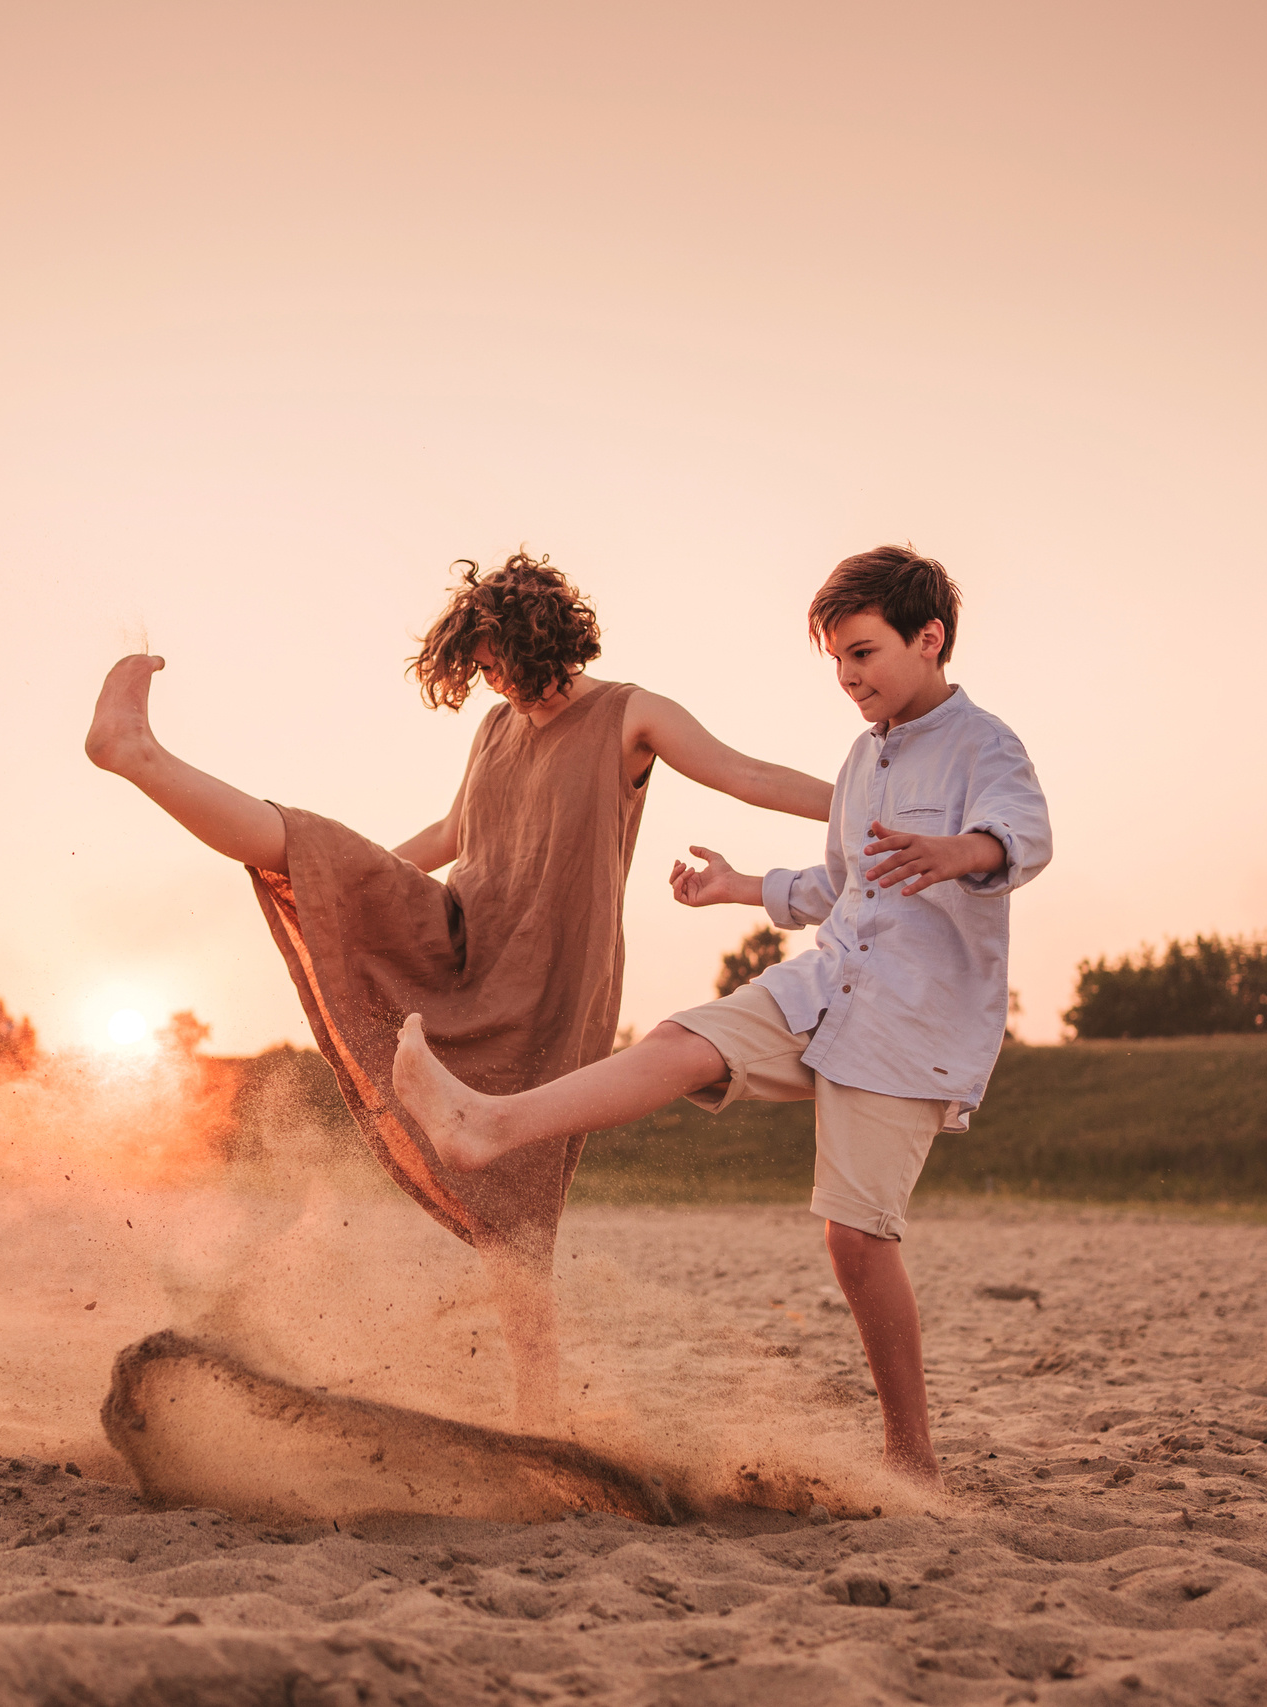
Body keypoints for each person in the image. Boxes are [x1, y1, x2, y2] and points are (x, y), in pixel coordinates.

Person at [85, 552, 833, 1424]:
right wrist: (342, 894)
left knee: (521, 1213)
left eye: (491, 658)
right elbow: (455, 829)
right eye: (476, 664)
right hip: (457, 936)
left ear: (537, 634)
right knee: (305, 845)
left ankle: (536, 1412)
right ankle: (134, 752)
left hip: (550, 983)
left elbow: (746, 775)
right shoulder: (494, 727)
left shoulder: (632, 715)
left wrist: (859, 805)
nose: (485, 678)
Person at [390, 544, 1051, 1479]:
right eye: (837, 660)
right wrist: (743, 885)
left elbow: (1026, 836)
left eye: (862, 653)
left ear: (928, 638)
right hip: (826, 984)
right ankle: (487, 1122)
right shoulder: (865, 758)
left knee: (856, 1243)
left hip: (911, 1022)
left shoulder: (986, 744)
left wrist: (962, 852)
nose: (848, 677)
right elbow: (843, 881)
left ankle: (912, 1460)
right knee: (679, 1040)